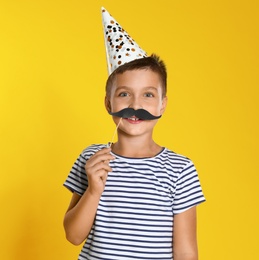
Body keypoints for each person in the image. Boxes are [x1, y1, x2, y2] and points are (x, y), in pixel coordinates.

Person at [63, 7, 205, 260]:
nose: (136, 106)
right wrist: (94, 189)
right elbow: (73, 236)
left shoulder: (180, 169)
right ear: (109, 103)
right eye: (124, 94)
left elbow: (185, 250)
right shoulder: (91, 158)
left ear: (162, 104)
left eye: (148, 95)